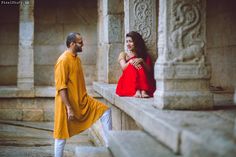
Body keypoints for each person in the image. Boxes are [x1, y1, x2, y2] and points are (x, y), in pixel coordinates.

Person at [54, 32, 112, 157]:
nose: (83, 44)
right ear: (72, 44)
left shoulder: (77, 59)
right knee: (61, 135)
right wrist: (69, 108)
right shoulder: (63, 60)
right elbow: (61, 87)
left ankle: (110, 147)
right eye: (80, 42)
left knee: (105, 111)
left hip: (82, 101)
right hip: (66, 103)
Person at [116, 31, 156, 98]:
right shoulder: (123, 54)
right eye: (127, 41)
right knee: (133, 64)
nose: (128, 44)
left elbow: (150, 71)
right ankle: (137, 90)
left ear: (137, 42)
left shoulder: (144, 55)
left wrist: (142, 61)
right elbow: (123, 67)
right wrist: (130, 61)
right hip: (128, 81)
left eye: (130, 41)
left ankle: (143, 90)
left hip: (145, 81)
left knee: (139, 63)